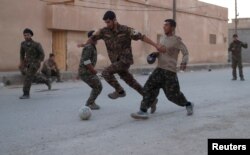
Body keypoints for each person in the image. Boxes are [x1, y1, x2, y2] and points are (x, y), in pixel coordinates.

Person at [78, 11, 159, 113]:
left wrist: (155, 45)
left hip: (125, 60)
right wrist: (85, 44)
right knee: (132, 83)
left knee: (106, 72)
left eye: (109, 22)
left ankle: (120, 91)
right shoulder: (104, 31)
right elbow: (92, 37)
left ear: (114, 20)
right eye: (106, 22)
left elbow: (141, 37)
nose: (107, 24)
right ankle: (152, 100)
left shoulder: (126, 30)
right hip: (116, 62)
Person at [131, 19, 194, 119]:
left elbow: (185, 52)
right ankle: (143, 110)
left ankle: (188, 104)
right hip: (159, 69)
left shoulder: (177, 40)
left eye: (167, 25)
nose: (164, 27)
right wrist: (156, 54)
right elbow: (162, 52)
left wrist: (184, 61)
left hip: (170, 71)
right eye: (164, 25)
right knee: (148, 88)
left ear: (172, 27)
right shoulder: (162, 38)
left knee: (173, 96)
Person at [19, 28, 51, 99]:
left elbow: (42, 54)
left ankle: (26, 94)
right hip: (27, 63)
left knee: (28, 77)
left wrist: (39, 62)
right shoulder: (23, 44)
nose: (26, 36)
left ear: (31, 35)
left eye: (27, 35)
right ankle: (46, 81)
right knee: (31, 77)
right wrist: (22, 63)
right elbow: (22, 54)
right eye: (24, 35)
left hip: (35, 63)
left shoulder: (36, 44)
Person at [78, 31, 102, 110]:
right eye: (95, 37)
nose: (97, 38)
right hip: (86, 72)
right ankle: (89, 104)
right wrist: (94, 71)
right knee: (98, 86)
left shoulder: (91, 45)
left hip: (87, 72)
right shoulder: (89, 47)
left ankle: (91, 102)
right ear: (91, 38)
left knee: (96, 86)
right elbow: (86, 61)